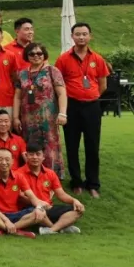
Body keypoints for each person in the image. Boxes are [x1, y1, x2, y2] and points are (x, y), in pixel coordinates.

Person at [55, 23, 110, 198]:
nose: (81, 37)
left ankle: (93, 183)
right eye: (77, 34)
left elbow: (103, 85)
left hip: (92, 106)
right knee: (72, 145)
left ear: (90, 36)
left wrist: (91, 96)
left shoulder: (98, 59)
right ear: (72, 36)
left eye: (84, 34)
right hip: (72, 106)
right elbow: (58, 84)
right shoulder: (63, 59)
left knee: (92, 145)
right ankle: (77, 182)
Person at [13, 43, 67, 179]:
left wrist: (62, 113)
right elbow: (18, 97)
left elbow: (62, 93)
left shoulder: (52, 71)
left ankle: (51, 176)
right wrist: (15, 117)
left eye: (39, 53)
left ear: (44, 55)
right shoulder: (22, 73)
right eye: (32, 54)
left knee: (49, 146)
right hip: (28, 118)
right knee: (30, 146)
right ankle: (31, 176)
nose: (36, 56)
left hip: (47, 118)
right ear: (27, 56)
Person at [16, 144, 85, 234]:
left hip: (48, 208)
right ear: (26, 156)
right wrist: (39, 204)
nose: (35, 157)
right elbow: (19, 197)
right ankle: (60, 228)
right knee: (37, 211)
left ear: (43, 156)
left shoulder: (50, 173)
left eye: (38, 154)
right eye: (31, 154)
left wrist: (74, 200)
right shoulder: (18, 174)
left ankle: (51, 230)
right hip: (29, 209)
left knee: (78, 210)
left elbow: (61, 195)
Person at [0, 148, 44, 238]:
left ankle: (6, 229)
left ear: (12, 161)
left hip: (16, 214)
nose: (4, 162)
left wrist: (39, 207)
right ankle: (17, 231)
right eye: (0, 159)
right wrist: (5, 219)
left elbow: (32, 196)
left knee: (41, 212)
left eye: (7, 159)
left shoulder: (19, 176)